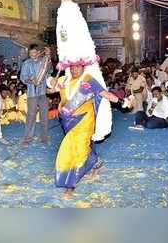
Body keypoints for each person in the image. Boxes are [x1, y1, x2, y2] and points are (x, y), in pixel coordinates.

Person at [49, 64, 119, 199]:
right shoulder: (63, 80)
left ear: (83, 67)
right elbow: (51, 91)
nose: (75, 70)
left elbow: (105, 94)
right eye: (72, 67)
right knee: (78, 147)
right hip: (67, 121)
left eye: (78, 67)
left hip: (85, 120)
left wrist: (123, 102)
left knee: (76, 150)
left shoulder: (88, 80)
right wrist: (50, 86)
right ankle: (95, 161)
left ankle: (71, 185)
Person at [20, 44, 52, 147]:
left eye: (34, 52)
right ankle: (27, 139)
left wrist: (49, 56)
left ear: (39, 53)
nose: (32, 55)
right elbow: (22, 77)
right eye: (30, 53)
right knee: (31, 116)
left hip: (43, 93)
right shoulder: (26, 63)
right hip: (32, 94)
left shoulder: (44, 61)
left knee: (44, 116)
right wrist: (30, 80)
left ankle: (44, 138)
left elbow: (50, 71)